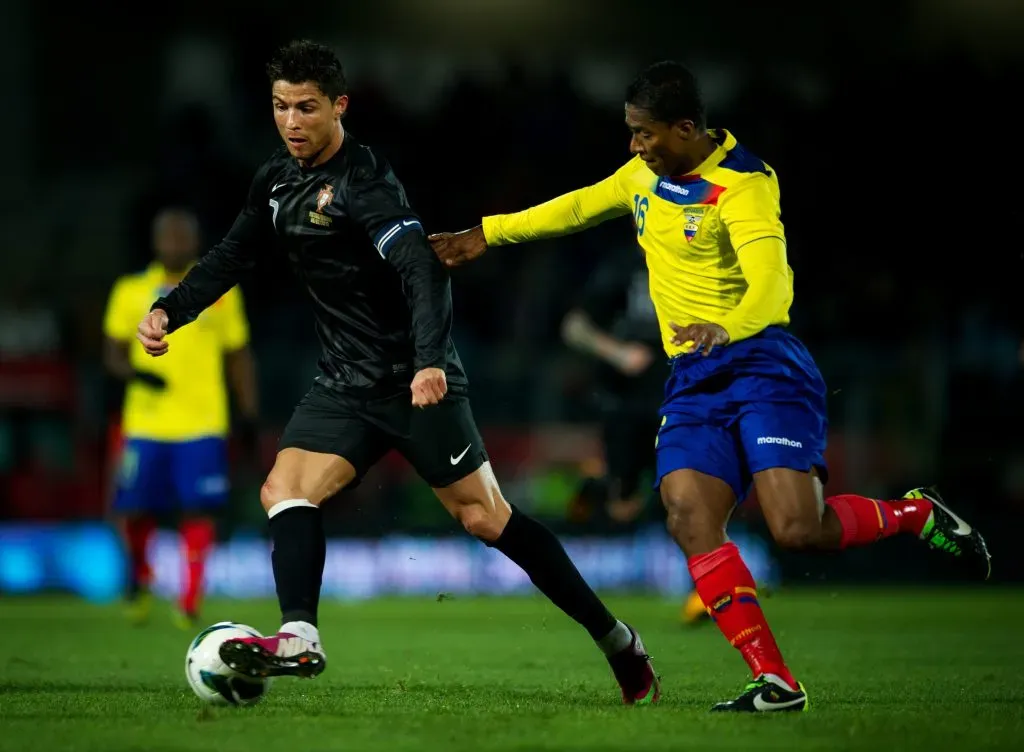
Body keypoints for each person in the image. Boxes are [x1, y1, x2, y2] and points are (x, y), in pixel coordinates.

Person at [429, 60, 991, 713]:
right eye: (631, 132)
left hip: (762, 364)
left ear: (686, 128)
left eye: (644, 133)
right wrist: (486, 234)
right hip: (693, 377)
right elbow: (576, 207)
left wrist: (726, 327)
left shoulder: (743, 185)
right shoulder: (643, 176)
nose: (634, 146)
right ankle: (775, 681)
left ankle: (917, 514)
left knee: (796, 529)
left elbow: (773, 288)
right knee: (689, 516)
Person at [134, 40, 658, 705]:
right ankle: (299, 635)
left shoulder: (365, 183)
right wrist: (171, 309)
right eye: (280, 106)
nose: (291, 121)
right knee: (284, 490)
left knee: (486, 519)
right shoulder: (275, 181)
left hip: (414, 381)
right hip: (343, 383)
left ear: (339, 106)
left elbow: (422, 269)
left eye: (306, 107)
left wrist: (430, 361)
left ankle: (617, 640)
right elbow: (233, 254)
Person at [103, 206, 259, 629]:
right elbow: (113, 353)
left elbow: (238, 355)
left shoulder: (220, 291)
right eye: (168, 236)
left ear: (195, 241)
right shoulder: (130, 290)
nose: (175, 243)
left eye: (182, 236)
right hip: (146, 421)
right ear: (155, 242)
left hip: (203, 421)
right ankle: (139, 577)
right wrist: (135, 374)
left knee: (199, 510)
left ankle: (189, 599)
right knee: (134, 509)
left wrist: (248, 413)